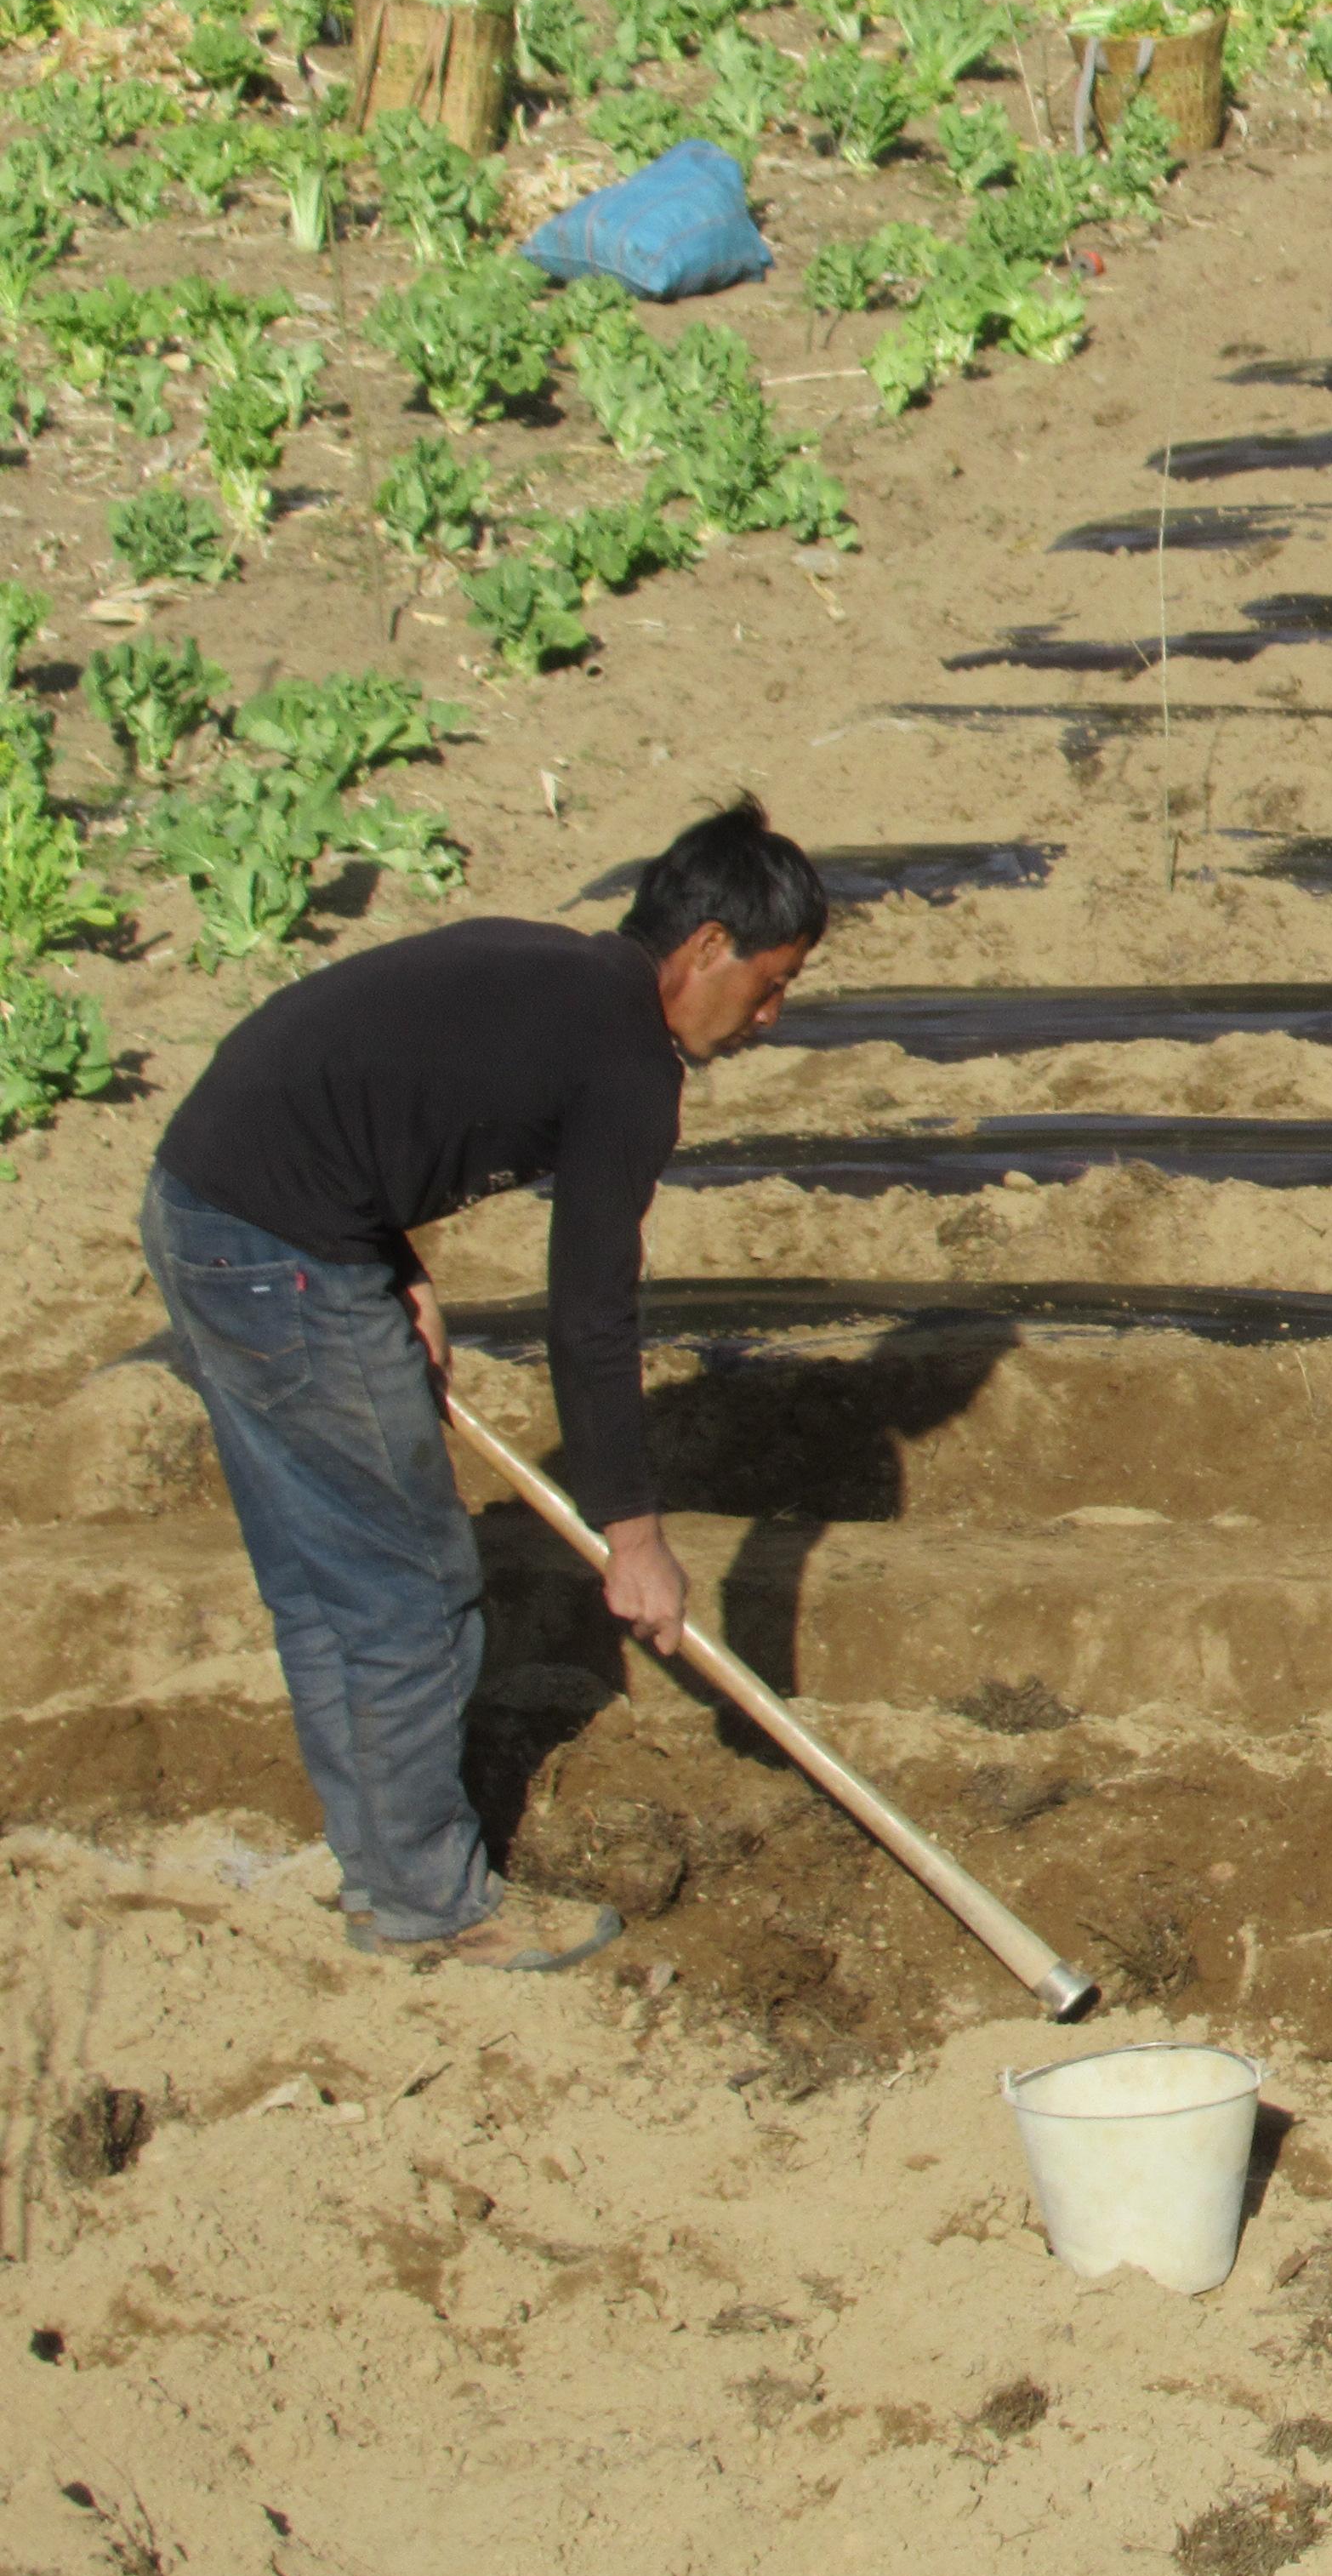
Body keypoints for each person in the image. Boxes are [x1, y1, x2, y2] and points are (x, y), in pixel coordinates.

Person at [139, 801, 826, 1971]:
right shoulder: (626, 1063)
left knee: (325, 1584)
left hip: (203, 1205)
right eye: (769, 983)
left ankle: (381, 1878)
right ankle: (429, 1905)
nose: (772, 1015)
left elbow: (356, 1083)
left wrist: (390, 1261)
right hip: (278, 1252)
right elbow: (590, 1314)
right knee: (409, 1591)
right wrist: (635, 1536)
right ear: (706, 946)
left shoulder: (555, 976)